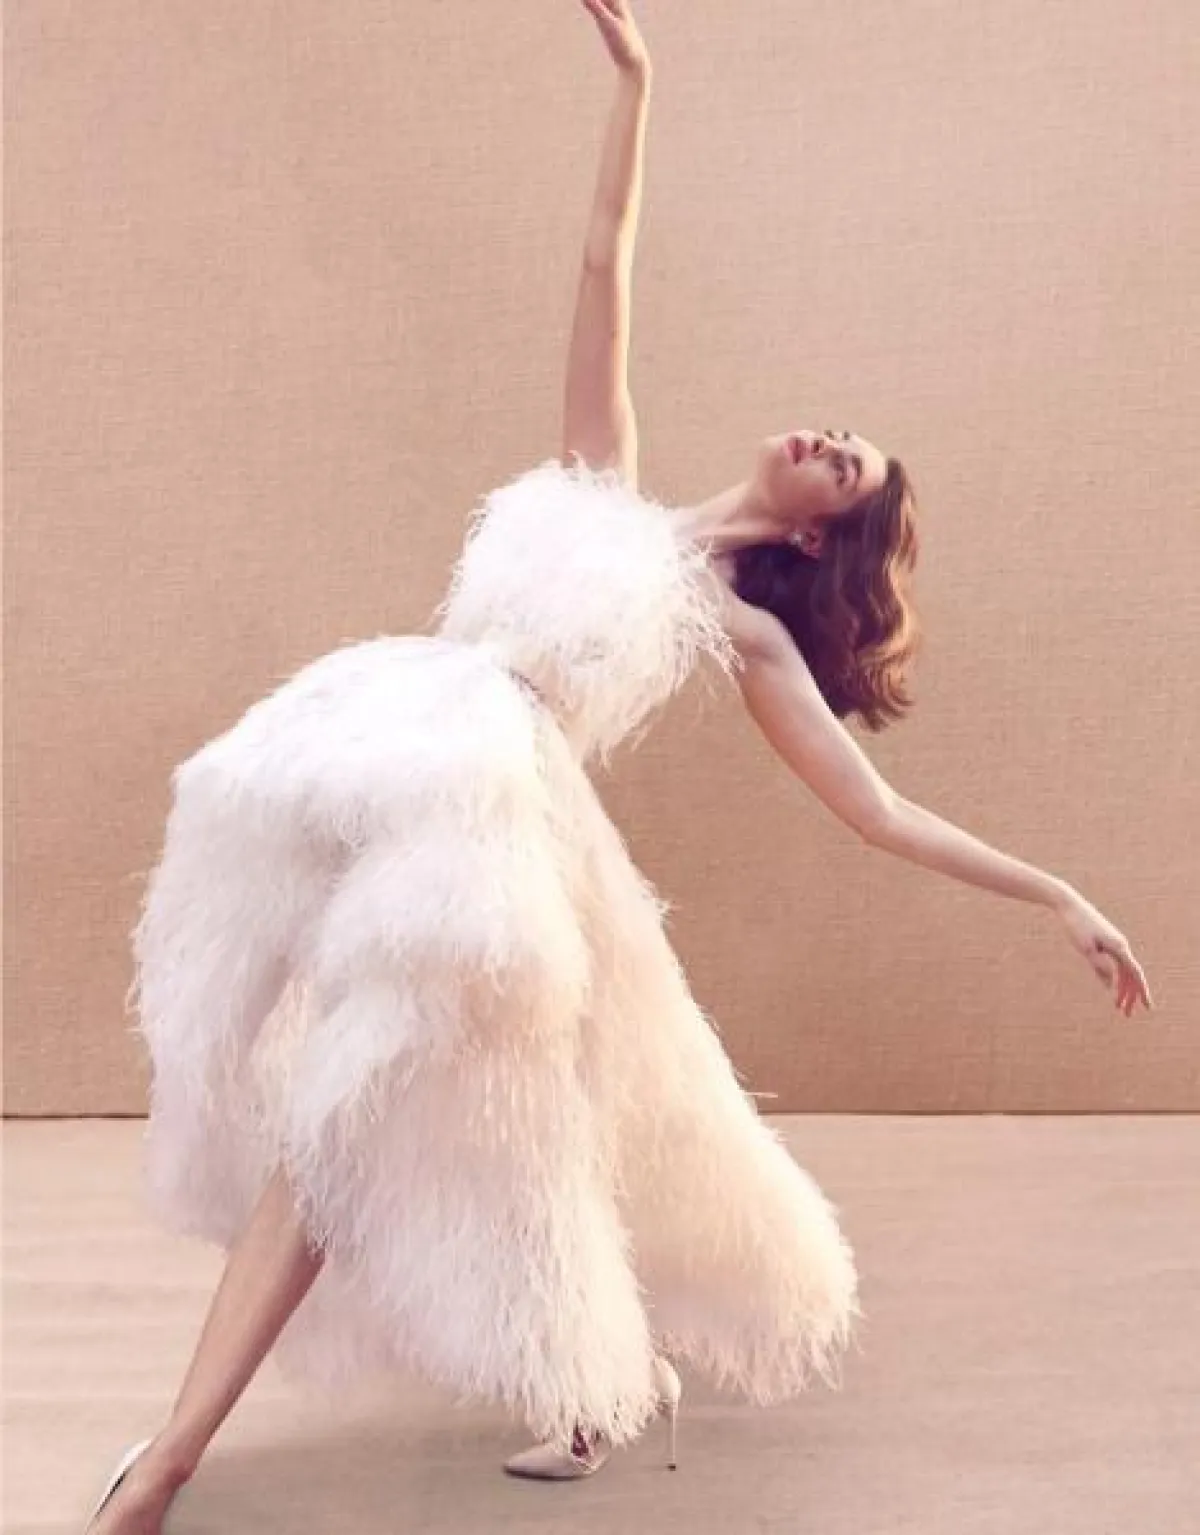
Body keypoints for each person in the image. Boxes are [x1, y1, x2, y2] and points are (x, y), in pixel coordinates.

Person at [84, 2, 1153, 1529]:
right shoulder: (602, 477)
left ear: (818, 538)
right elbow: (603, 262)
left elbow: (876, 809)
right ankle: (597, 1376)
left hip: (493, 837)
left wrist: (1058, 894)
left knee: (350, 1121)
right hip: (396, 756)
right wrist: (635, 84)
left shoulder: (744, 630)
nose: (825, 436)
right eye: (840, 432)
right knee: (450, 1119)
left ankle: (173, 1458)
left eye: (845, 463)